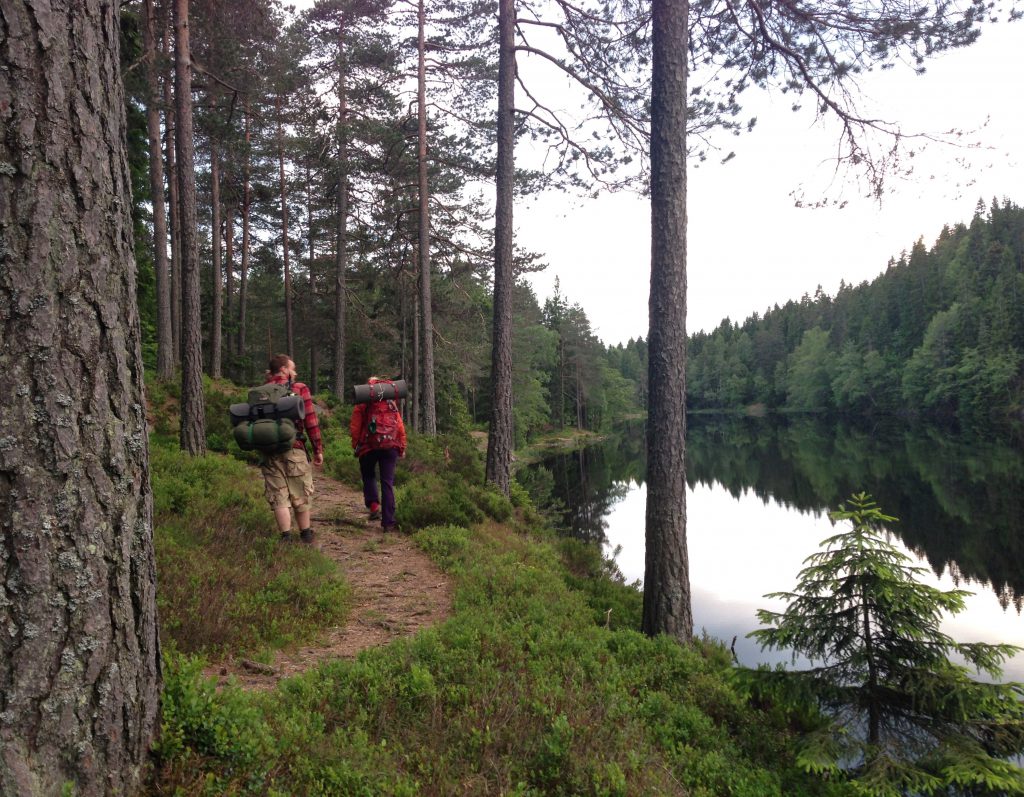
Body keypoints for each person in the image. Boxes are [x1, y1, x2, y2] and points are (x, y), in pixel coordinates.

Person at [260, 354, 324, 543]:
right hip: (295, 448)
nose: (294, 372)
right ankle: (306, 534)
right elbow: (311, 421)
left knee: (279, 496)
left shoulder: (261, 391)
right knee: (300, 493)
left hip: (269, 451)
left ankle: (286, 538)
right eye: (292, 368)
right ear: (283, 370)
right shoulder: (299, 388)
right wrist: (317, 448)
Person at [350, 376, 407, 532]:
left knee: (368, 474)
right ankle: (388, 523)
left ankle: (374, 505)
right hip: (390, 446)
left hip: (369, 446)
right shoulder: (390, 402)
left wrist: (356, 445)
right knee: (387, 483)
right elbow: (399, 426)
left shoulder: (363, 402)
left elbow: (355, 426)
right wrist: (402, 446)